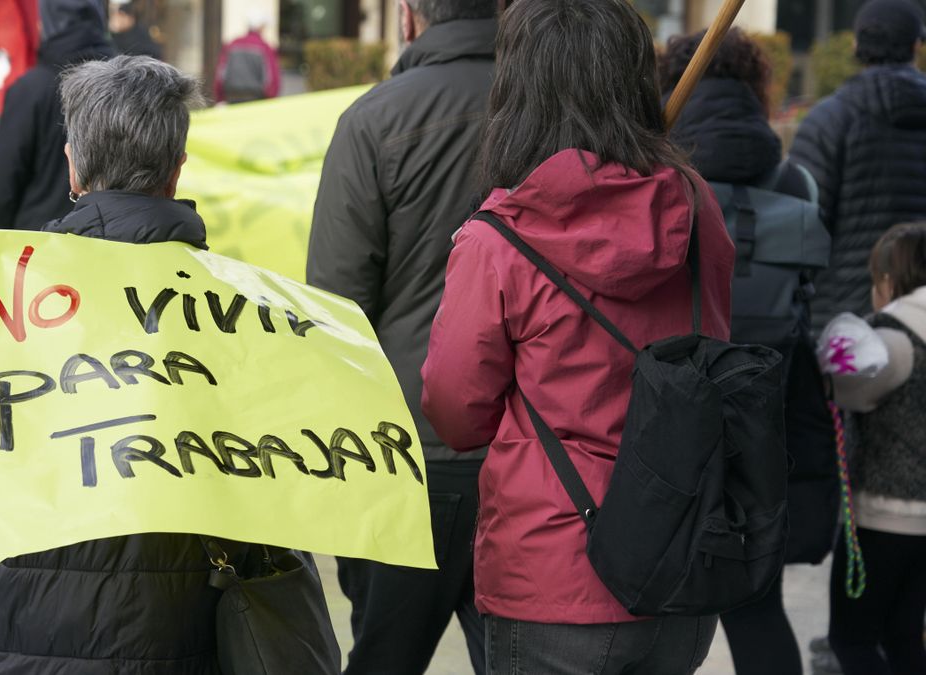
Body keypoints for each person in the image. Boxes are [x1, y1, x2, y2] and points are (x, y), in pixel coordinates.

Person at [420, 0, 734, 671]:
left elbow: (455, 414)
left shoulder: (496, 238)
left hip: (551, 575)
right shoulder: (696, 207)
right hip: (679, 562)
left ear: (518, 90)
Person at [0, 55, 229, 673]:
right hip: (185, 627)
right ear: (177, 170)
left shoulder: (14, 298)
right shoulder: (235, 308)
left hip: (37, 627)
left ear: (72, 164)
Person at [305, 0, 496, 671]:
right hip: (529, 448)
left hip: (403, 450)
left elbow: (336, 308)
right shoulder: (552, 116)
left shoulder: (373, 120)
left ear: (410, 17)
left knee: (384, 655)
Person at [661, 28, 838, 675]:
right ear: (755, 91)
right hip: (768, 422)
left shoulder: (659, 180)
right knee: (756, 605)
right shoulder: (795, 183)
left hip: (667, 419)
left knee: (647, 606)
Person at [818, 222, 926, 675]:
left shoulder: (893, 342)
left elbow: (847, 390)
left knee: (852, 640)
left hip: (882, 519)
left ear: (887, 280)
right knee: (905, 638)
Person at [790, 0, 926, 336]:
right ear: (916, 46)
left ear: (856, 46)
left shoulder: (826, 122)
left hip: (844, 323)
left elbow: (800, 228)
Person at [0, 0, 115, 230]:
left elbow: (1, 188)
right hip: (112, 239)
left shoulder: (31, 88)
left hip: (37, 244)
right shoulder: (125, 84)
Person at [213, 12, 280, 104]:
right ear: (260, 27)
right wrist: (271, 99)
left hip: (231, 98)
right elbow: (272, 80)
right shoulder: (265, 47)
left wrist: (220, 98)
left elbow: (220, 75)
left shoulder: (232, 44)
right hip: (257, 100)